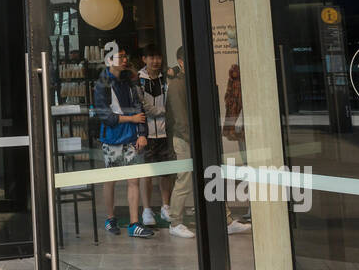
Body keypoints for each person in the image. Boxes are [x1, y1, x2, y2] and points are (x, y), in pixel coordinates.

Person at [165, 47, 249, 237]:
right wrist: (194, 141)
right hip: (185, 139)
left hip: (200, 138)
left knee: (213, 176)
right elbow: (180, 119)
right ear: (180, 62)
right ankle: (175, 222)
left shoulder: (198, 81)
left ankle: (225, 220)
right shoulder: (177, 85)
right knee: (184, 180)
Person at [94, 46, 152, 237]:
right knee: (111, 179)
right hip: (112, 137)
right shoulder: (102, 83)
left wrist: (142, 133)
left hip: (131, 136)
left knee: (133, 179)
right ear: (109, 61)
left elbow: (139, 107)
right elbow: (105, 117)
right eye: (120, 57)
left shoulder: (130, 81)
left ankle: (134, 223)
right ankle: (110, 218)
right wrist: (132, 120)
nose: (124, 60)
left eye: (125, 56)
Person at [137, 44, 174, 228]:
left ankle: (166, 206)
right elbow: (143, 107)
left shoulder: (166, 78)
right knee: (147, 174)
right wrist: (164, 111)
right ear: (144, 59)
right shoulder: (138, 80)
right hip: (147, 134)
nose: (155, 61)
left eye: (158, 57)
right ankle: (146, 209)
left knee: (165, 173)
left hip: (165, 132)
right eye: (151, 57)